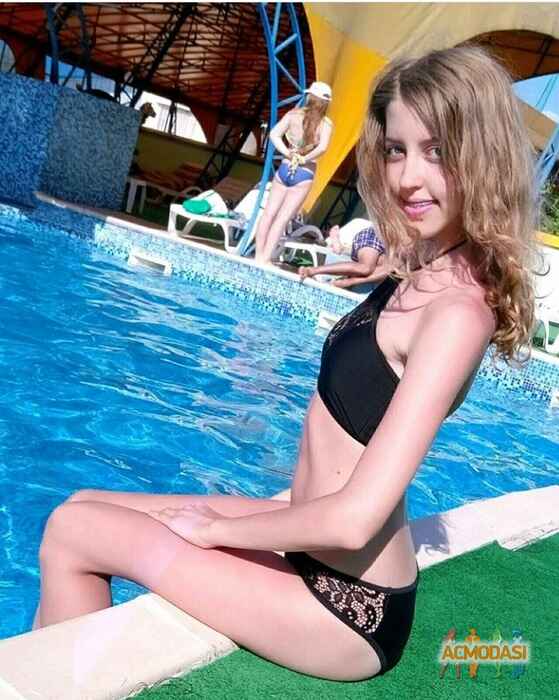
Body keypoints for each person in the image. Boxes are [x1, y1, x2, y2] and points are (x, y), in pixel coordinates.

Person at [32, 46, 537, 682]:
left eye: (435, 151)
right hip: (307, 543)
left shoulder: (458, 314)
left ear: (481, 154)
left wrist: (216, 530)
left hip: (346, 607)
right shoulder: (424, 265)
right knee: (85, 499)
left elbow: (355, 520)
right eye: (396, 149)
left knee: (73, 530)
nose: (409, 177)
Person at [254, 82, 333, 265]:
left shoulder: (293, 115)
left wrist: (288, 153)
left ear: (309, 97)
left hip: (285, 167)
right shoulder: (326, 124)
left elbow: (274, 134)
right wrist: (305, 158)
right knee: (281, 220)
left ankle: (258, 255)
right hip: (304, 172)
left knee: (268, 214)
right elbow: (323, 148)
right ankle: (265, 259)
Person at [299, 222, 390, 289]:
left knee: (389, 270)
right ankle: (312, 270)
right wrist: (350, 282)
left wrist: (352, 281)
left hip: (381, 251)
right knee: (365, 268)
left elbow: (388, 270)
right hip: (377, 236)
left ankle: (340, 249)